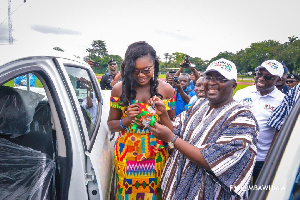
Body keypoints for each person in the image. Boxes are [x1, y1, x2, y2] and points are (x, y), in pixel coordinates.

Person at [149, 58, 258, 199]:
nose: (212, 82)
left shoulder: (242, 118)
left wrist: (171, 139)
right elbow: (176, 129)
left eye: (221, 79)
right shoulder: (199, 104)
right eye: (208, 77)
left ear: (233, 85)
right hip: (180, 186)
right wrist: (163, 114)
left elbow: (211, 160)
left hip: (209, 193)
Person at [107, 41, 175, 199]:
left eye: (146, 70)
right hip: (127, 155)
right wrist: (127, 120)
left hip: (157, 154)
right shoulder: (119, 89)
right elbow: (111, 125)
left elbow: (172, 129)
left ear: (154, 66)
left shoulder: (166, 90)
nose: (141, 75)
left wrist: (163, 113)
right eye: (135, 71)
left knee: (156, 194)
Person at [234, 59, 285, 185]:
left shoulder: (282, 101)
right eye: (259, 74)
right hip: (237, 154)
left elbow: (281, 132)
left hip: (261, 159)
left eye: (267, 77)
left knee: (259, 190)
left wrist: (270, 159)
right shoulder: (242, 93)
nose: (261, 78)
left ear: (277, 80)